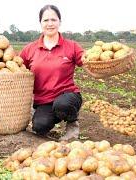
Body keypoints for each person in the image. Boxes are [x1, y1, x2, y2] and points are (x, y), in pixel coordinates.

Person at [19, 4, 96, 141]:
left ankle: (72, 124)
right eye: (46, 20)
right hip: (44, 100)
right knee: (39, 127)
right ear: (40, 23)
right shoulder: (29, 49)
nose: (50, 24)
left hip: (67, 96)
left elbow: (89, 63)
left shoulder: (71, 46)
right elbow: (15, 68)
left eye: (53, 20)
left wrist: (104, 66)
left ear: (60, 22)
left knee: (63, 105)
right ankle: (45, 117)